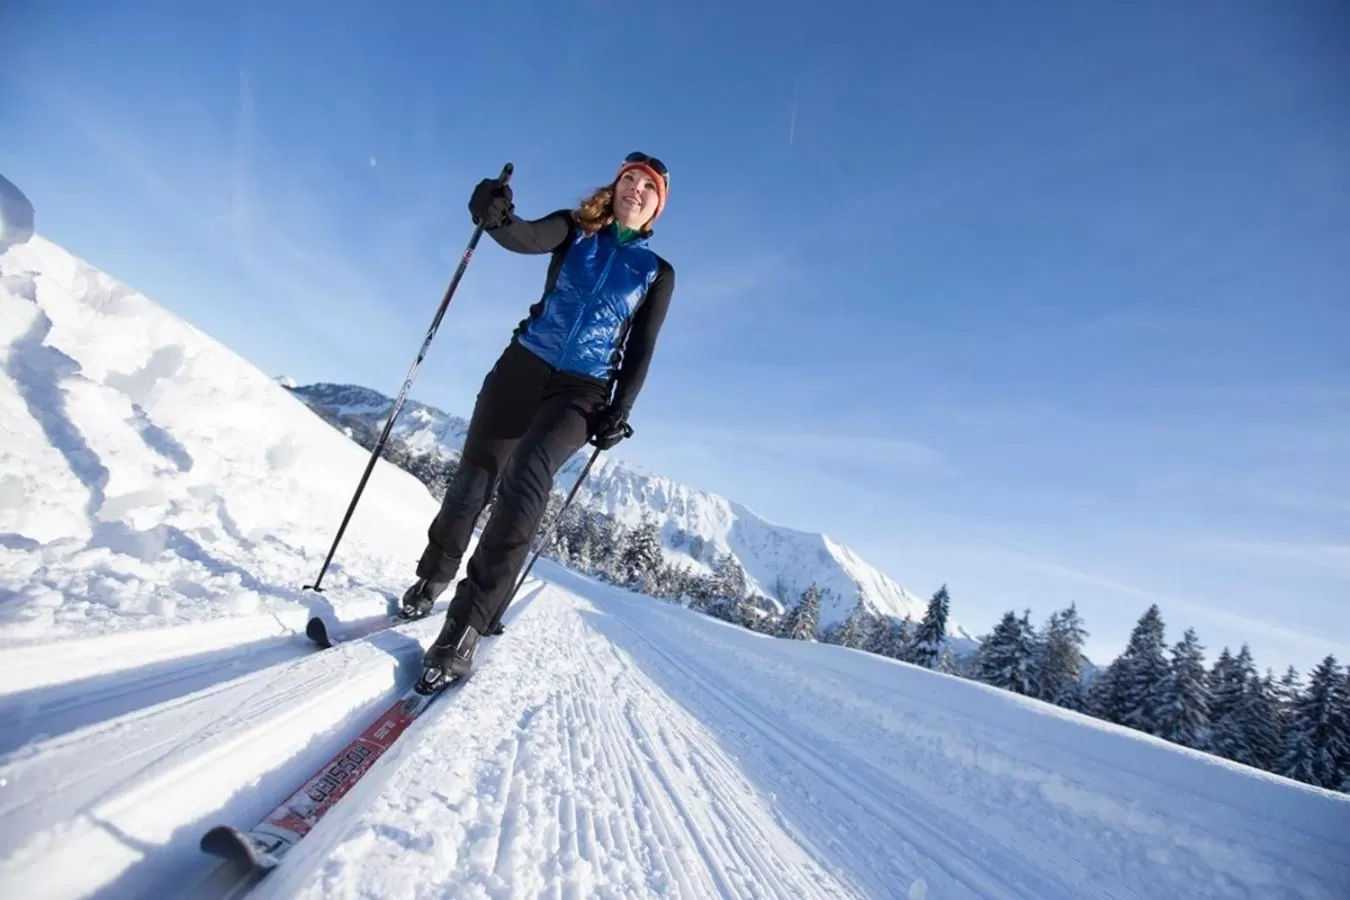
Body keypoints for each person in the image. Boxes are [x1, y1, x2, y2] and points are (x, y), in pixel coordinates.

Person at [403, 152, 674, 687]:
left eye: (648, 187)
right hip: (524, 365)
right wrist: (496, 214)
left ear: (656, 207)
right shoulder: (576, 229)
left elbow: (642, 350)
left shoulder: (655, 273)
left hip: (583, 388)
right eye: (629, 180)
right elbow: (524, 236)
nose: (636, 190)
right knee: (476, 476)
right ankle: (432, 577)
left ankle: (466, 627)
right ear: (615, 187)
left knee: (528, 474)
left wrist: (621, 409)